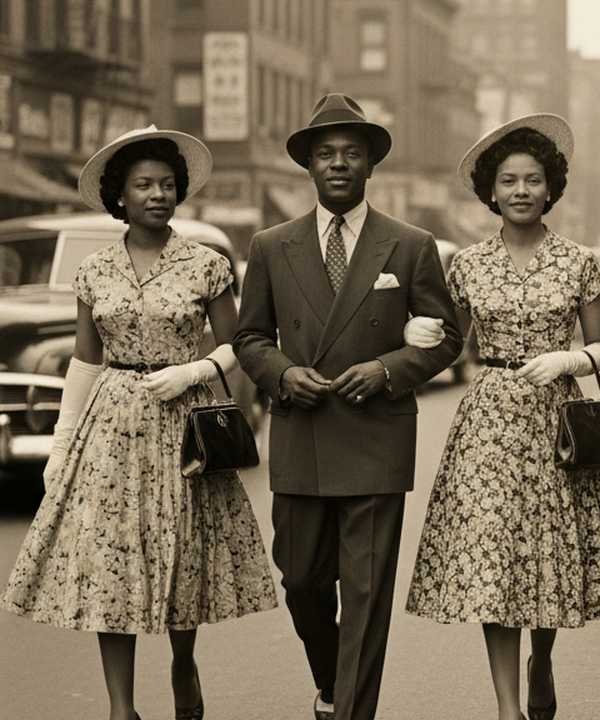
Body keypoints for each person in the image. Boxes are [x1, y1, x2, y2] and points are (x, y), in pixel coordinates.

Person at [2, 126, 277, 720]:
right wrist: (60, 442)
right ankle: (120, 708)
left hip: (185, 420)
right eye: (143, 185)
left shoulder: (206, 263)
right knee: (111, 562)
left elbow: (241, 345)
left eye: (167, 184)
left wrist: (196, 369)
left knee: (182, 549)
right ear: (119, 196)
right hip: (112, 424)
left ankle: (183, 663)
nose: (158, 194)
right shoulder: (94, 269)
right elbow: (83, 359)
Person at [401, 113, 600, 720]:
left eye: (532, 179)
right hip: (488, 423)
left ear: (550, 187)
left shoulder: (578, 261)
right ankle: (508, 708)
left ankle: (543, 656)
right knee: (493, 560)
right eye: (508, 180)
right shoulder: (468, 266)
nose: (520, 191)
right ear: (490, 190)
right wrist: (417, 331)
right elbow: (448, 346)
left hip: (557, 418)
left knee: (549, 551)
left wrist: (570, 357)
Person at [233, 94, 462, 720]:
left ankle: (351, 711)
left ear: (371, 165)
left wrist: (388, 368)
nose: (339, 164)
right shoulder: (271, 245)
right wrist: (281, 374)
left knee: (365, 593)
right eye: (327, 153)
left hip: (375, 439)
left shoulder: (410, 244)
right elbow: (249, 337)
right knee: (302, 580)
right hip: (301, 434)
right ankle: (335, 683)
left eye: (352, 153)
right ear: (308, 164)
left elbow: (447, 336)